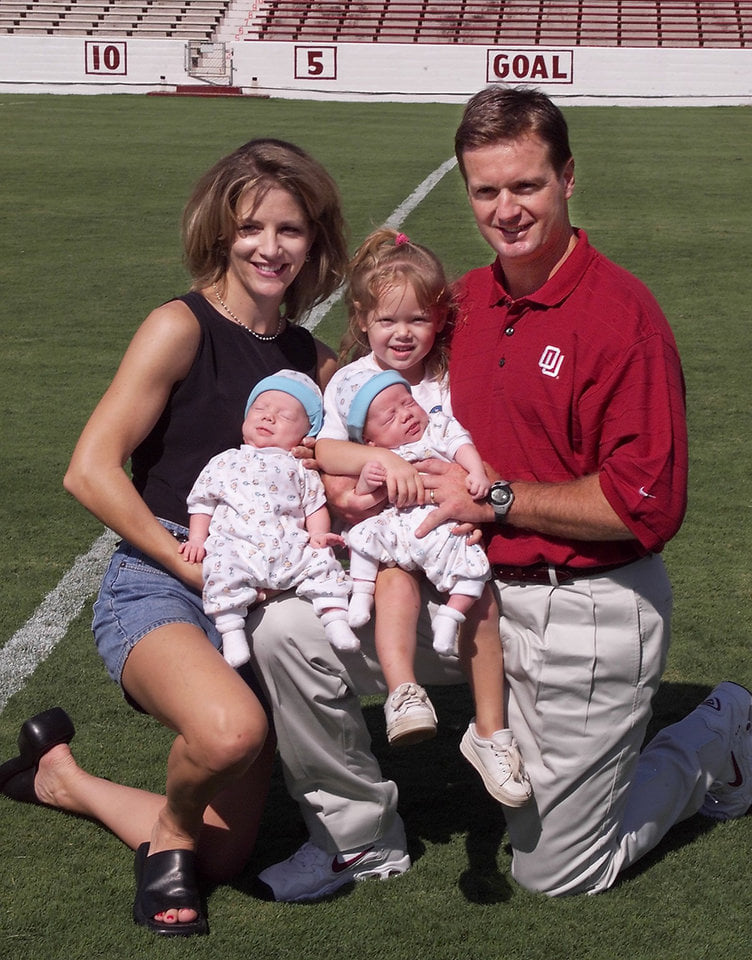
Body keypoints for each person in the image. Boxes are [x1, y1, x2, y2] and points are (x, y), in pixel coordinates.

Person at [247, 86, 750, 904]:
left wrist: (499, 500)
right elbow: (388, 370)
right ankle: (358, 838)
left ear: (568, 178)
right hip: (462, 585)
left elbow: (646, 505)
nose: (506, 209)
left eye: (526, 185)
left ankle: (714, 739)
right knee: (287, 631)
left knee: (558, 873)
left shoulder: (625, 320)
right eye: (486, 190)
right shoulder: (469, 303)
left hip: (582, 604)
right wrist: (353, 468)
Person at [0, 138, 358, 934]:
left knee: (224, 859)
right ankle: (168, 838)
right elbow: (89, 470)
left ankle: (62, 778)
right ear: (221, 232)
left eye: (292, 230)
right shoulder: (179, 325)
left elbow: (342, 475)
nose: (271, 248)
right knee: (232, 731)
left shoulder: (317, 362)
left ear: (315, 240)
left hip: (264, 586)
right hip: (163, 574)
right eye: (253, 228)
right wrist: (188, 565)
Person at [323, 367, 532, 807]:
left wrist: (478, 487)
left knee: (480, 598)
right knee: (391, 585)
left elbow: (468, 452)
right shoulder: (353, 397)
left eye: (408, 405)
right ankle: (403, 694)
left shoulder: (439, 420)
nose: (406, 415)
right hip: (400, 538)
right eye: (391, 414)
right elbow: (339, 471)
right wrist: (375, 475)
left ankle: (491, 732)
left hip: (447, 531)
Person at [181, 369, 357, 668]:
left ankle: (334, 617)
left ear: (306, 435)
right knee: (220, 568)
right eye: (260, 410)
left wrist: (317, 535)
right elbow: (202, 502)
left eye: (285, 416)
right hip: (238, 546)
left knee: (322, 563)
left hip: (290, 546)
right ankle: (232, 631)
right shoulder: (224, 461)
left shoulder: (300, 467)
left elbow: (314, 505)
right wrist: (197, 537)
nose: (268, 417)